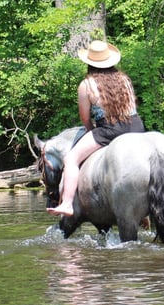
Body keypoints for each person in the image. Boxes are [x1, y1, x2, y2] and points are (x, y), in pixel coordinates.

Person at [47, 39, 145, 217]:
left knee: (71, 159)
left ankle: (67, 204)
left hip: (110, 130)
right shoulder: (124, 79)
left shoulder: (86, 85)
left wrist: (91, 130)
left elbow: (85, 118)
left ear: (89, 63)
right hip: (137, 127)